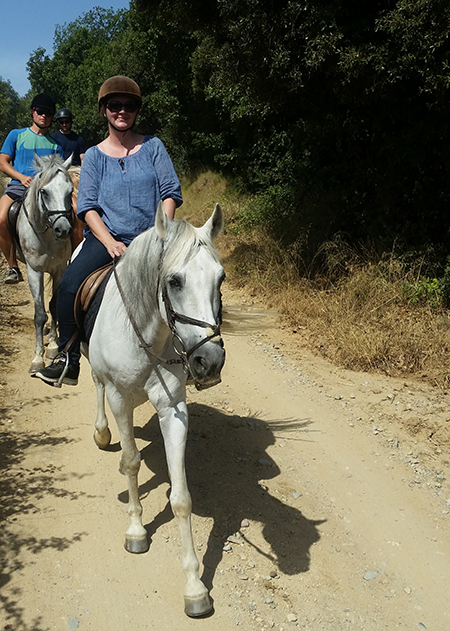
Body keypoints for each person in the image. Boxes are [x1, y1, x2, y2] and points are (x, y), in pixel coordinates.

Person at [35, 76, 183, 387]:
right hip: (107, 239)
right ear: (104, 110)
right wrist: (110, 242)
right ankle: (67, 358)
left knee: (193, 281)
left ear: (136, 111)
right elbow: (87, 207)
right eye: (115, 105)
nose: (122, 111)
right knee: (68, 286)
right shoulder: (94, 156)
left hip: (153, 238)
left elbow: (169, 191)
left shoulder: (154, 146)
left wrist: (162, 231)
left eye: (129, 106)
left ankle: (197, 355)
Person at [0, 93, 63, 284]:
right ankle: (13, 267)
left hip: (46, 192)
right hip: (19, 187)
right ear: (32, 112)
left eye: (49, 113)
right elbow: (2, 162)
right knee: (1, 217)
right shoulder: (16, 135)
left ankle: (69, 259)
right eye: (40, 111)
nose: (44, 116)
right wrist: (20, 177)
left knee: (74, 213)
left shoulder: (55, 145)